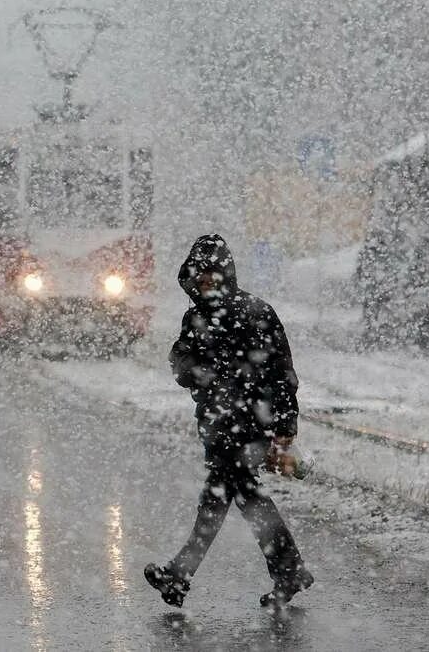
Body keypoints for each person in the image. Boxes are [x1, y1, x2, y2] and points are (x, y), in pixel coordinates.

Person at [145, 234, 313, 609]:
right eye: (199, 273)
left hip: (250, 425)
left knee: (219, 498)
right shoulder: (196, 316)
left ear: (226, 273)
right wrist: (195, 371)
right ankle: (289, 570)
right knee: (242, 497)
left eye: (211, 273)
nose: (204, 280)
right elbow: (181, 362)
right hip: (218, 425)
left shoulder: (255, 312)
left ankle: (180, 576)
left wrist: (284, 428)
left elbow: (281, 372)